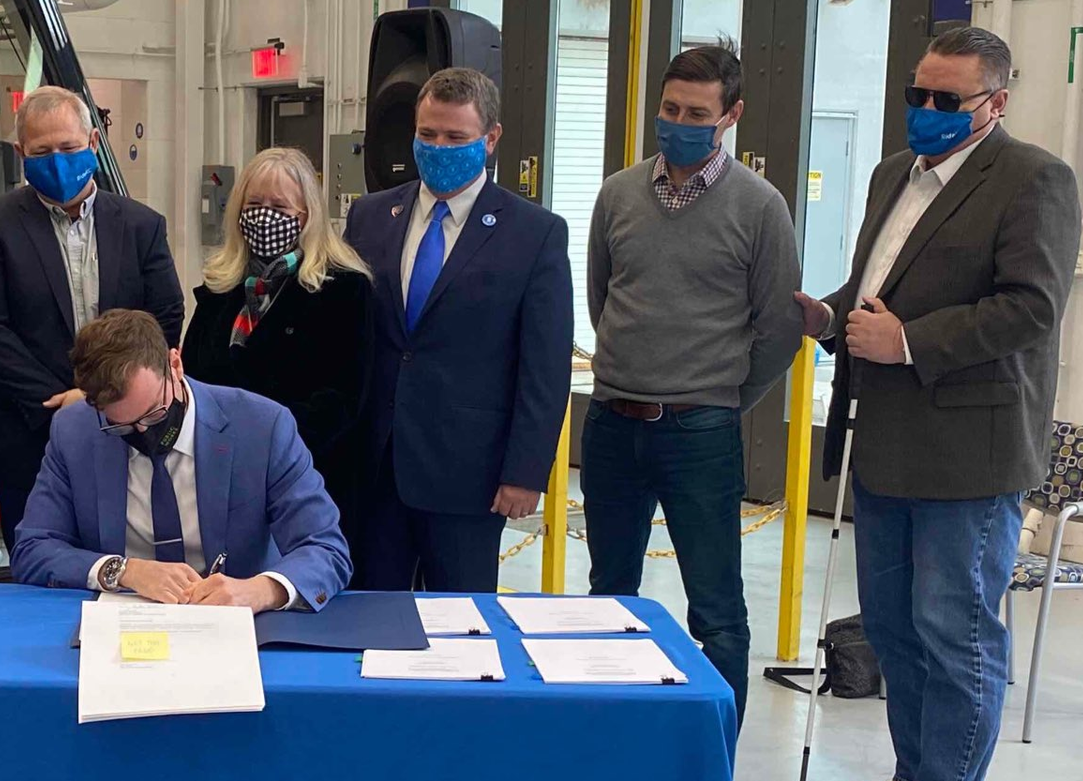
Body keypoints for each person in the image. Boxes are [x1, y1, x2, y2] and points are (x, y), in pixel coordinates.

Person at [794, 27, 1078, 781]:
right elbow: (884, 286)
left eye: (945, 101)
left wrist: (910, 342)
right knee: (894, 625)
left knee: (956, 632)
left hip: (970, 448)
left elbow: (1031, 308)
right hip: (885, 437)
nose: (924, 112)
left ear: (994, 103)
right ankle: (915, 778)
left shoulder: (1033, 180)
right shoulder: (896, 174)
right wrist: (830, 314)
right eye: (916, 95)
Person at [582, 41, 803, 725]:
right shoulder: (618, 193)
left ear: (730, 115)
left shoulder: (760, 207)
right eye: (670, 107)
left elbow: (779, 328)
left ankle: (714, 758)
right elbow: (601, 297)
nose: (678, 121)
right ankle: (614, 736)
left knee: (716, 608)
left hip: (702, 431)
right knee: (609, 594)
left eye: (696, 112)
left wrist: (722, 397)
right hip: (613, 421)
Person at [344, 67, 572, 592]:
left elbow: (544, 367)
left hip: (471, 475)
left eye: (455, 138)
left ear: (490, 139)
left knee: (463, 627)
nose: (439, 147)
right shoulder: (372, 216)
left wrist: (526, 472)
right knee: (372, 621)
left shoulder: (534, 234)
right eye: (428, 134)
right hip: (377, 469)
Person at [0, 85, 184, 553]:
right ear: (21, 153)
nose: (57, 160)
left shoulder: (142, 225)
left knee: (125, 564)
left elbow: (164, 315)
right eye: (42, 151)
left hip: (129, 426)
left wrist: (101, 394)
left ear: (94, 143)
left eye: (69, 147)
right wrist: (58, 400)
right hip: (25, 434)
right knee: (37, 569)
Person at [12, 310, 350, 612]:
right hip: (123, 623)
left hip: (238, 625)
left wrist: (261, 591)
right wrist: (123, 570)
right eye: (123, 427)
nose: (143, 431)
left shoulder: (262, 427)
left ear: (175, 364)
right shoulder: (75, 432)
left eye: (155, 413)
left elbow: (325, 547)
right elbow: (33, 549)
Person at [182, 146, 373, 535]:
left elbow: (344, 399)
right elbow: (192, 380)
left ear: (306, 216)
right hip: (221, 482)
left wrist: (265, 447)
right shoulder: (221, 287)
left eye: (279, 206)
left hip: (306, 478)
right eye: (254, 203)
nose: (263, 214)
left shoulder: (344, 290)